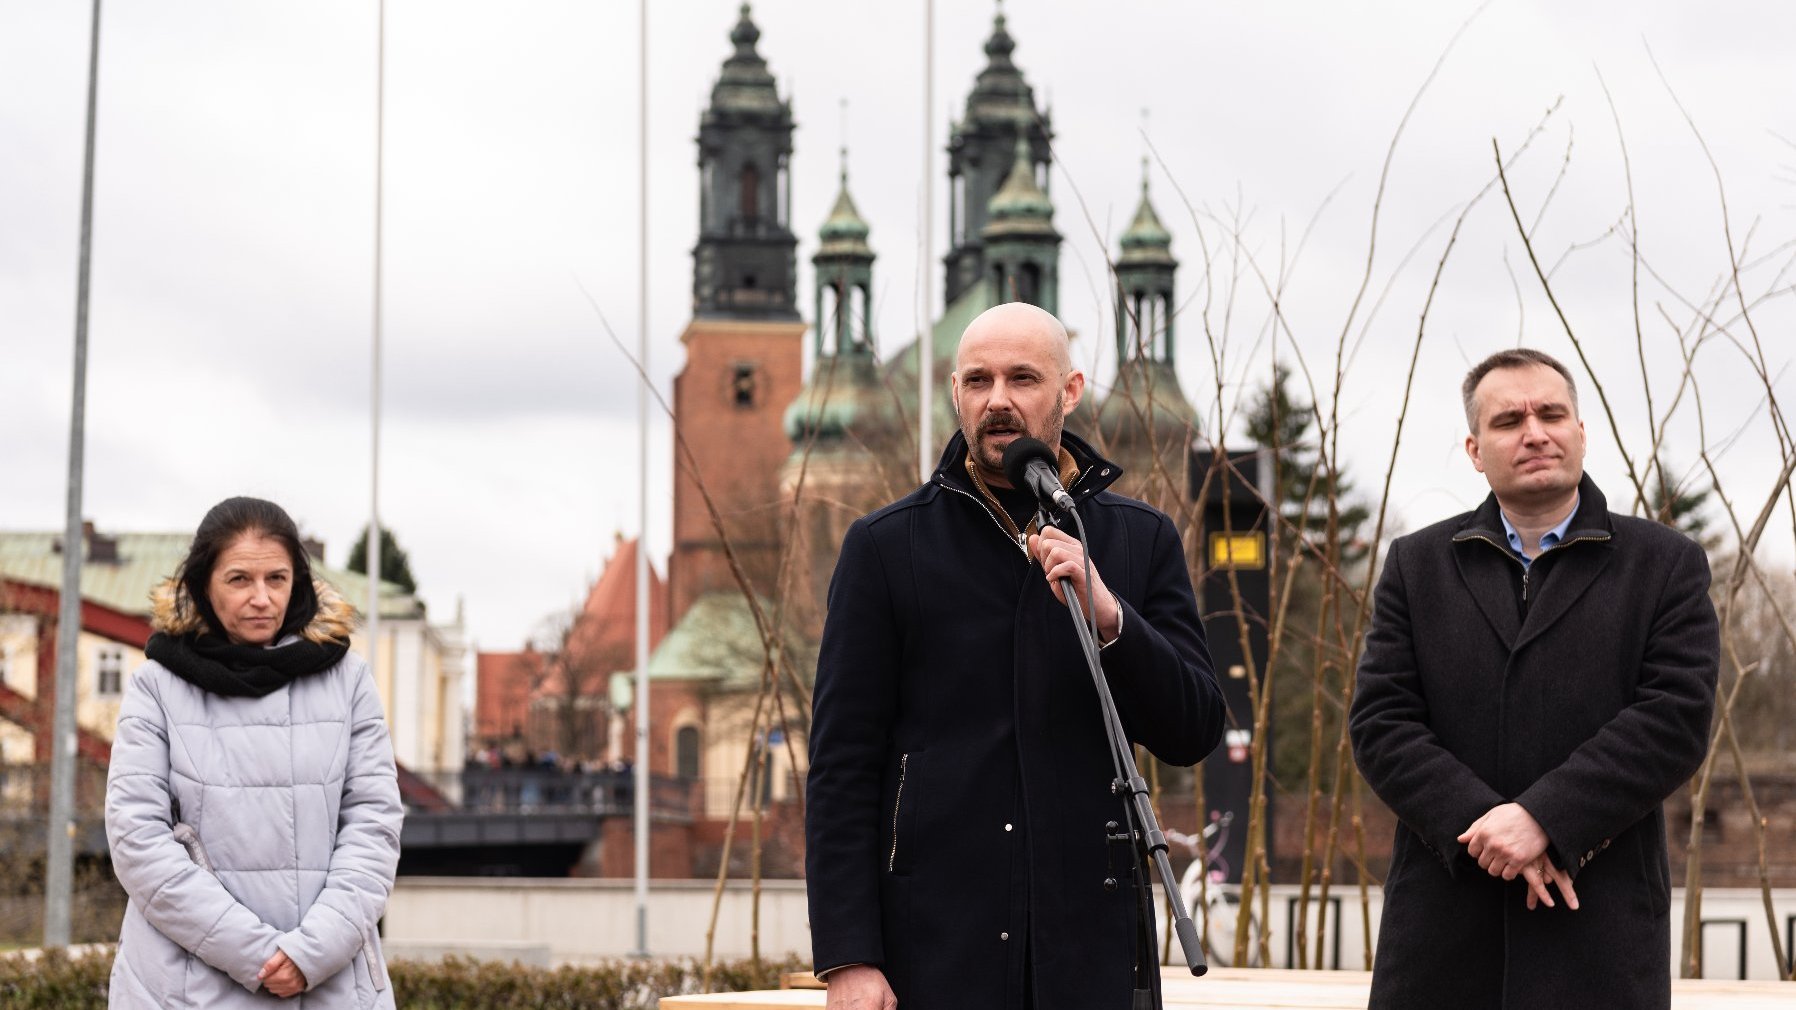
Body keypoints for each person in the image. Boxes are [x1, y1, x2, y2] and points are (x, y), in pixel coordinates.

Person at [804, 302, 1226, 1010]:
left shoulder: (1137, 539)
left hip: (1092, 950)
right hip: (935, 949)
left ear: (1070, 390)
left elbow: (1194, 728)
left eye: (1022, 378)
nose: (997, 400)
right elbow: (842, 768)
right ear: (955, 394)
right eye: (978, 381)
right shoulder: (886, 547)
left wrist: (1112, 617)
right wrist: (848, 957)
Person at [1349, 349, 1718, 1009]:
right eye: (1509, 420)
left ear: (1581, 431)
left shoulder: (1665, 565)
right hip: (1443, 930)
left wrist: (1548, 818)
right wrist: (1488, 825)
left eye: (1552, 414)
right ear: (1475, 448)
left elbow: (1674, 718)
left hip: (1598, 933)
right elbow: (1382, 724)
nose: (1535, 432)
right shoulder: (1416, 565)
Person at [106, 497, 402, 1008]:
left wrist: (312, 953)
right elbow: (137, 839)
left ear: (298, 583)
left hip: (330, 980)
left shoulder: (349, 680)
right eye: (239, 579)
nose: (261, 598)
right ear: (204, 584)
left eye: (277, 579)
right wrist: (259, 956)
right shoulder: (156, 686)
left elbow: (374, 825)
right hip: (183, 988)